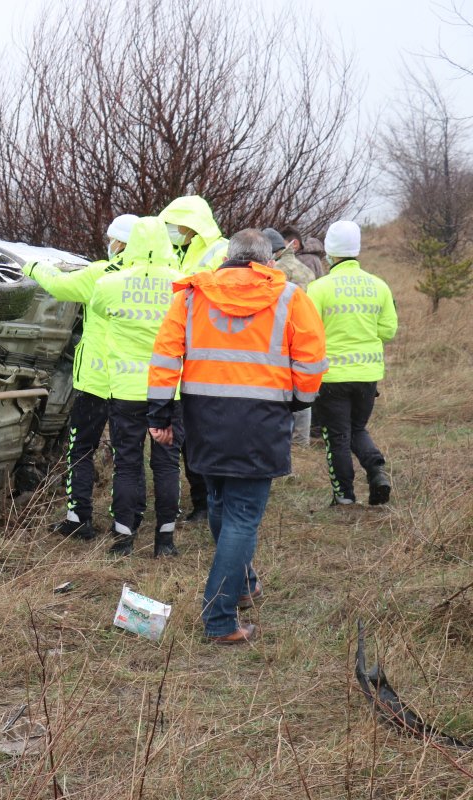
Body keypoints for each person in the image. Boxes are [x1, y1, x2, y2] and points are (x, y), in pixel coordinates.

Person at [148, 229, 327, 643]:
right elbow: (312, 359)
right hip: (262, 419)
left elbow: (164, 357)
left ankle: (243, 584)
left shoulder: (191, 296)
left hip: (204, 419)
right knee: (242, 517)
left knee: (218, 501)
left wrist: (160, 413)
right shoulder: (291, 297)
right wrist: (298, 402)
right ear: (268, 261)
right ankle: (220, 618)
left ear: (228, 257)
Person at [26, 213, 138, 538]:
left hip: (95, 380)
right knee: (126, 456)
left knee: (81, 448)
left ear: (118, 243)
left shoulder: (101, 273)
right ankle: (124, 526)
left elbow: (60, 287)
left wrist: (33, 267)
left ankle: (79, 520)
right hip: (131, 382)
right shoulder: (152, 279)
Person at [89, 216, 185, 556]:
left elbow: (98, 310)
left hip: (126, 390)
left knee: (127, 464)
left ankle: (123, 539)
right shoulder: (182, 285)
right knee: (167, 465)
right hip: (169, 391)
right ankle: (165, 541)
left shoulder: (110, 284)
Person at [306, 221, 398, 506]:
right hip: (368, 375)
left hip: (331, 377)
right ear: (356, 250)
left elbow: (309, 332)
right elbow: (388, 331)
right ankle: (376, 470)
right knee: (356, 429)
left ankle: (344, 497)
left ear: (330, 254)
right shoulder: (379, 285)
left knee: (337, 437)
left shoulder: (319, 288)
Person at [158, 195, 228, 521]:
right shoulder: (178, 252)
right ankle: (202, 501)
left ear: (193, 224)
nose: (174, 230)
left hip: (210, 357)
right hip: (184, 355)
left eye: (178, 224)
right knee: (189, 439)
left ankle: (213, 500)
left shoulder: (220, 251)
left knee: (209, 436)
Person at [264, 228, 317, 447]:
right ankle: (301, 441)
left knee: (282, 391)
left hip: (281, 335)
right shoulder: (305, 269)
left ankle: (284, 440)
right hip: (305, 333)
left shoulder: (277, 270)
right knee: (302, 388)